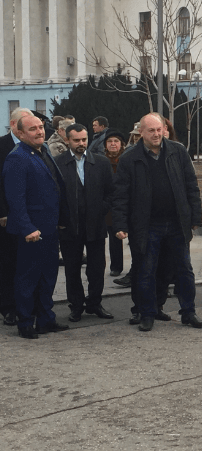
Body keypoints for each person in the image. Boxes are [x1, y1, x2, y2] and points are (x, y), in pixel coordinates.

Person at [112, 113, 202, 332]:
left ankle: (188, 312)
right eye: (151, 130)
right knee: (146, 271)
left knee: (184, 270)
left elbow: (191, 185)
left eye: (159, 129)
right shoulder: (129, 158)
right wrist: (120, 224)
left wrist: (194, 216)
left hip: (176, 223)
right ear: (141, 133)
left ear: (164, 129)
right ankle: (147, 313)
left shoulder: (178, 151)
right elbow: (120, 195)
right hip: (146, 225)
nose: (156, 134)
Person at [3, 115, 69, 339]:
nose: (40, 132)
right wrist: (27, 228)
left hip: (49, 229)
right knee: (27, 278)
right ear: (20, 134)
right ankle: (25, 322)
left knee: (48, 276)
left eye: (41, 127)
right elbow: (15, 199)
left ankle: (45, 319)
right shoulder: (17, 158)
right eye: (33, 129)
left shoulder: (44, 151)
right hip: (31, 232)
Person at [55, 123, 115, 322]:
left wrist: (101, 208)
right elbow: (54, 194)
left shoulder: (101, 162)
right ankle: (76, 306)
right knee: (72, 269)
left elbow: (111, 192)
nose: (81, 144)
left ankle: (95, 303)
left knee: (97, 267)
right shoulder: (58, 163)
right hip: (69, 226)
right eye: (76, 140)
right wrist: (61, 218)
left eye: (84, 140)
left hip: (95, 224)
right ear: (67, 140)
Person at [0, 107, 35, 327]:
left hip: (31, 215)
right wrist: (2, 211)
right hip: (7, 217)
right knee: (8, 262)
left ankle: (27, 305)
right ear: (14, 125)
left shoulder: (35, 145)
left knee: (28, 262)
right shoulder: (2, 145)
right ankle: (8, 307)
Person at [102, 129, 127, 276]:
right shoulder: (101, 160)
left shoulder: (126, 159)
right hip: (109, 204)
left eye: (116, 141)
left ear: (121, 144)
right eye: (110, 141)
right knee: (114, 236)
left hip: (125, 201)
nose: (113, 144)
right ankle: (116, 266)